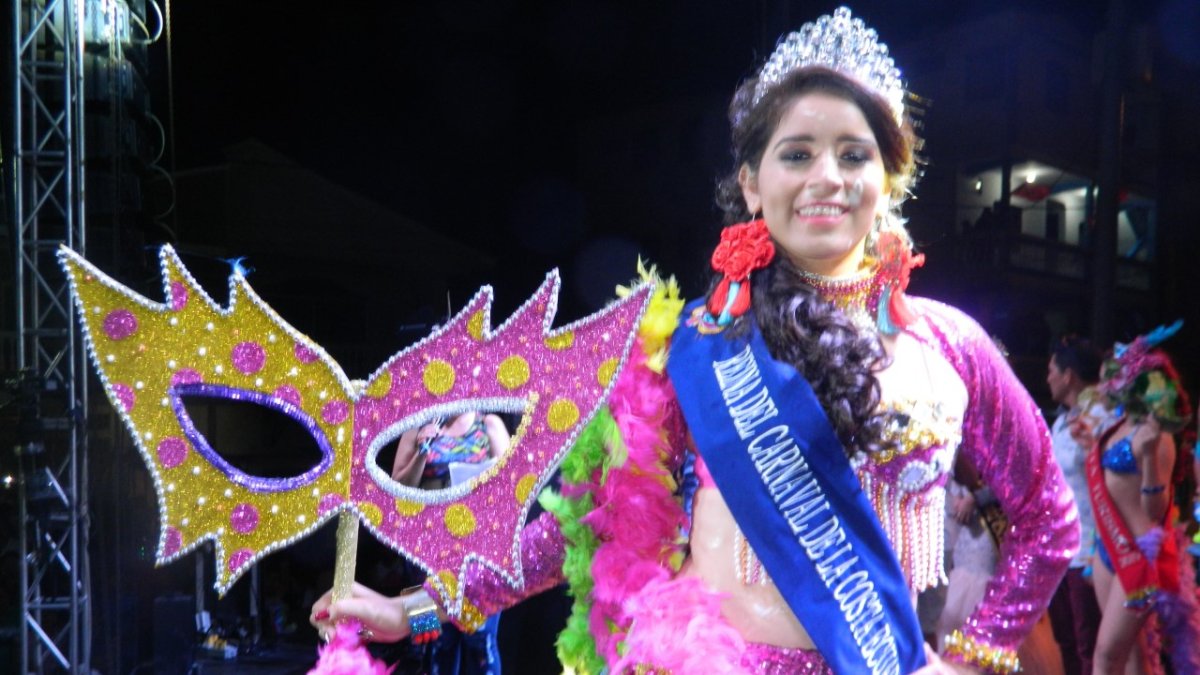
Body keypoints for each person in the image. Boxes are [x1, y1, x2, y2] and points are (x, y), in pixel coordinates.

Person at [312, 8, 1077, 673]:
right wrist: (414, 610)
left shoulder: (952, 347)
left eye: (854, 154)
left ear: (889, 178)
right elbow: (585, 524)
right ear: (751, 182)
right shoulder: (695, 348)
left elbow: (1048, 516)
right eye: (797, 152)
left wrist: (976, 656)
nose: (827, 178)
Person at [1085, 323, 1200, 675]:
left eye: (1110, 377)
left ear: (1132, 381)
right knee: (1134, 657)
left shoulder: (1157, 434)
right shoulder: (1114, 426)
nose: (1103, 384)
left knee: (1106, 656)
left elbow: (1156, 511)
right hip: (1108, 548)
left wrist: (1149, 458)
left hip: (1138, 555)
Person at [392, 411, 511, 674]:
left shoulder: (488, 424)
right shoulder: (416, 425)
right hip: (424, 552)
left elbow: (511, 488)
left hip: (478, 551)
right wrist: (423, 450)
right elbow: (398, 488)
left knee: (481, 641)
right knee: (431, 643)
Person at [1044, 336, 1107, 674]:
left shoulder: (1101, 418)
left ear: (1069, 375)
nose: (1047, 378)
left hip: (1090, 551)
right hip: (1061, 553)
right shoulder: (1060, 423)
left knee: (1090, 644)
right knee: (1066, 641)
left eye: (1051, 370)